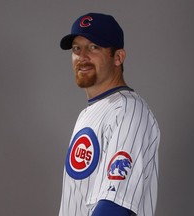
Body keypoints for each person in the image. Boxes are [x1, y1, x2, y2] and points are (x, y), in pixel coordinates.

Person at [58, 12, 160, 216]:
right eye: (77, 48)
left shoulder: (128, 111)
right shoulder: (89, 114)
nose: (82, 57)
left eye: (94, 47)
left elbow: (115, 206)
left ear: (118, 57)